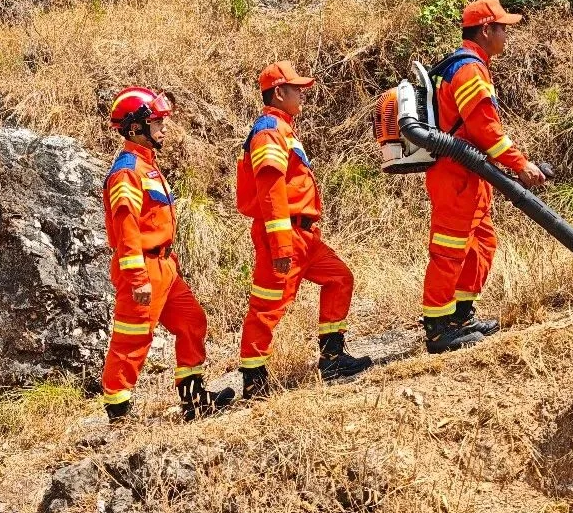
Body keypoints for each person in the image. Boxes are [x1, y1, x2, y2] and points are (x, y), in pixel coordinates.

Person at [235, 61, 373, 399]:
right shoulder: (269, 130)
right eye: (297, 89)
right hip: (286, 235)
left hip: (305, 236)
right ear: (279, 92)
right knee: (269, 305)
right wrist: (282, 243)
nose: (303, 95)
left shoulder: (282, 127)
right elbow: (270, 190)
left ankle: (333, 358)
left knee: (340, 278)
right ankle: (254, 379)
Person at [420, 0, 547, 353]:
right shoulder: (469, 69)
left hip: (469, 173)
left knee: (481, 244)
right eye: (503, 28)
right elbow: (485, 129)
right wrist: (519, 164)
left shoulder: (468, 65)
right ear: (486, 29)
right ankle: (437, 328)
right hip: (455, 174)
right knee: (450, 250)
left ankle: (461, 315)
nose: (507, 34)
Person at [101, 87, 235, 422]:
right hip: (142, 267)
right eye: (157, 121)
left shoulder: (147, 166)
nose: (164, 128)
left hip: (163, 266)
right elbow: (127, 227)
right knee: (132, 341)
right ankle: (118, 417)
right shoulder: (128, 171)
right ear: (135, 128)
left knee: (192, 321)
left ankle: (194, 400)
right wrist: (137, 278)